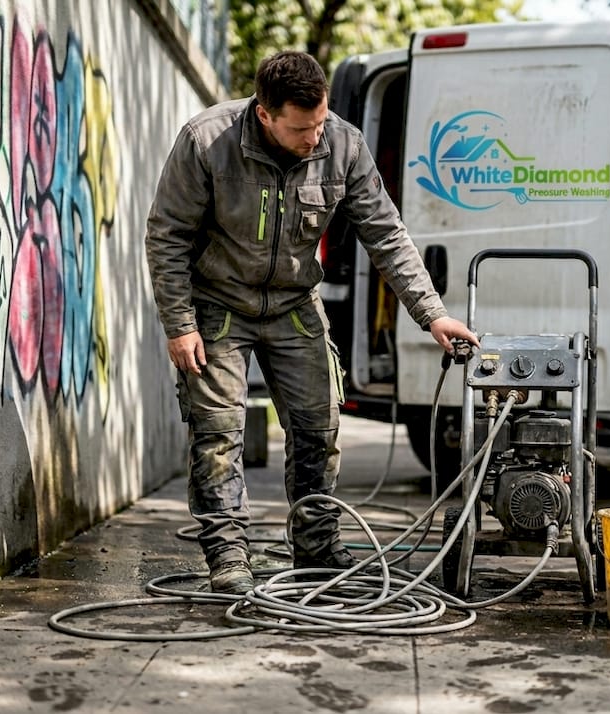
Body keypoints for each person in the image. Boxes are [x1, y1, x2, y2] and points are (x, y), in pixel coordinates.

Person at [144, 51, 478, 595]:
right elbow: (167, 235)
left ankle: (318, 549)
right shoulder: (206, 141)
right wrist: (180, 324)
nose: (313, 138)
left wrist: (433, 314)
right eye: (301, 129)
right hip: (218, 304)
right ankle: (228, 558)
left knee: (319, 428)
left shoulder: (342, 144)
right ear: (264, 115)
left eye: (319, 122)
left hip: (294, 303)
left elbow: (386, 234)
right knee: (218, 434)